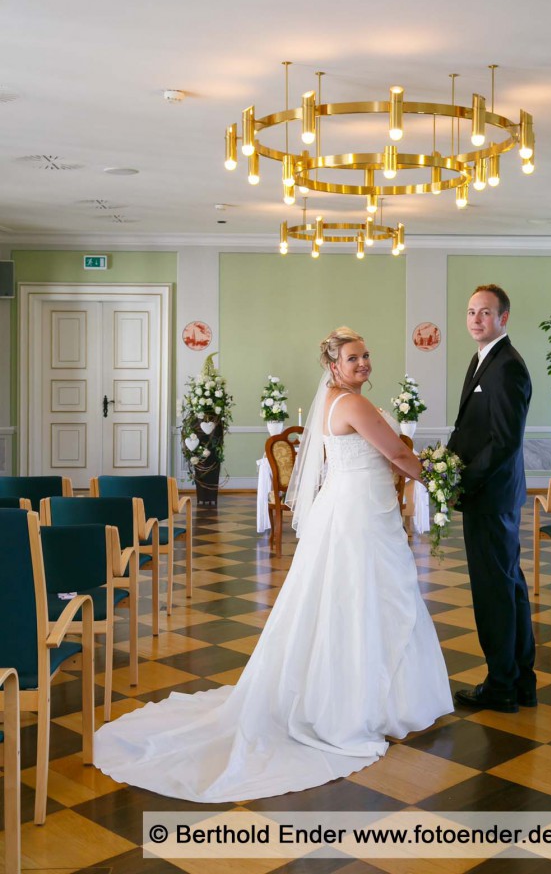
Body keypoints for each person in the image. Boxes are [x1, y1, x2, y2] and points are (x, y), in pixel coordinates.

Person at [94, 327, 453, 802]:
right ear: (333, 366)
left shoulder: (338, 401)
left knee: (356, 599)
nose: (363, 363)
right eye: (353, 358)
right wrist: (445, 474)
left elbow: (383, 456)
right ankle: (356, 704)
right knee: (362, 598)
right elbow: (397, 454)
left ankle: (374, 697)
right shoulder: (352, 404)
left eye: (366, 355)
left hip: (359, 506)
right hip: (358, 514)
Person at [447, 285, 536, 714]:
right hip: (491, 494)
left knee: (494, 591)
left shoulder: (507, 367)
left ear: (504, 318)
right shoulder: (484, 359)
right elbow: (471, 428)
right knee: (508, 586)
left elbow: (503, 442)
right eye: (470, 312)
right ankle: (521, 681)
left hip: (491, 495)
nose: (476, 319)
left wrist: (460, 479)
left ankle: (501, 685)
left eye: (485, 312)